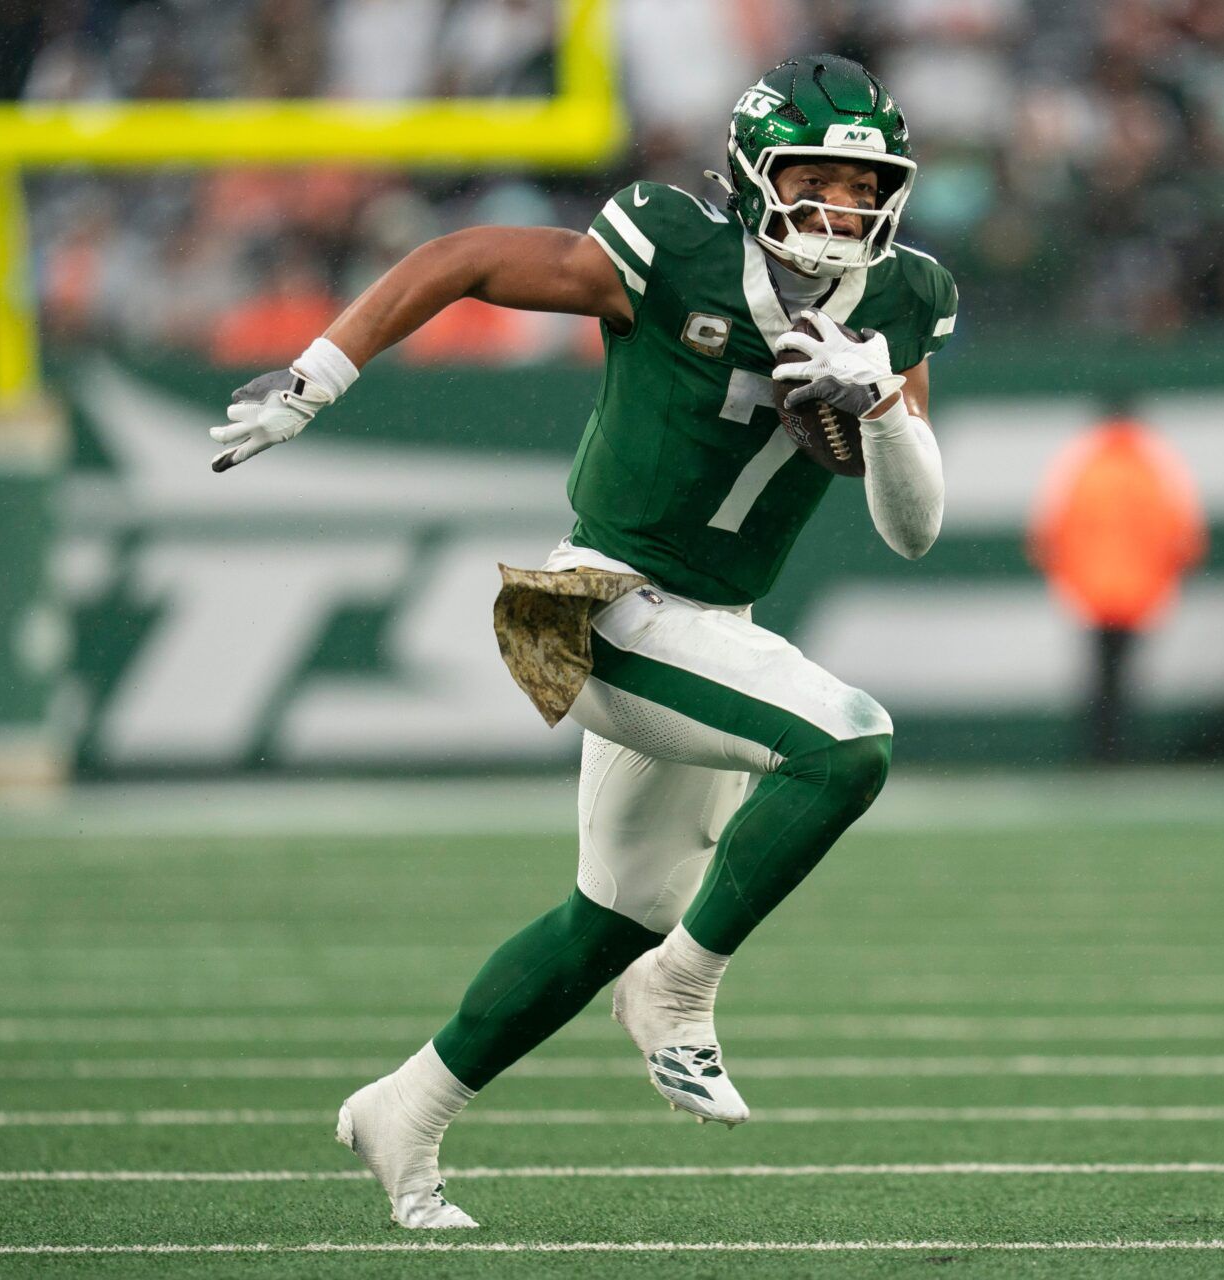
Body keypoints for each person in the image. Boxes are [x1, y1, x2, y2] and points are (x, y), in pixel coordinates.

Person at [208, 54, 955, 1229]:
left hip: (709, 628)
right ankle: (681, 989)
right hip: (594, 602)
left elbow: (912, 530)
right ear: (755, 173)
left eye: (864, 186)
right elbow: (462, 258)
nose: (840, 207)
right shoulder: (673, 247)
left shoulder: (901, 300)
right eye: (815, 178)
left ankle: (406, 1108)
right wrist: (317, 376)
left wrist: (888, 410)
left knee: (613, 915)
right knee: (847, 743)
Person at [1028, 405, 1205, 761]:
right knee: (1125, 676)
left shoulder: (1082, 465)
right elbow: (1184, 536)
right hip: (1141, 592)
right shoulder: (1155, 465)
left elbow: (1048, 535)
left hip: (1090, 592)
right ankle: (1120, 748)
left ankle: (1100, 748)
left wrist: (1068, 579)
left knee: (1100, 674)